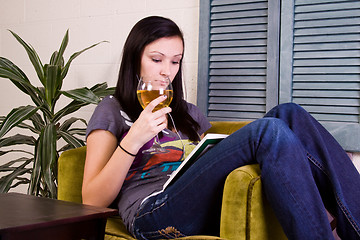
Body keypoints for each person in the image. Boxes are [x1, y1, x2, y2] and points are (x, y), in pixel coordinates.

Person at [82, 16, 360, 240]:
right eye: (157, 59)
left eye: (175, 61)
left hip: (201, 200)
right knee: (269, 131)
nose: (167, 71)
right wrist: (133, 140)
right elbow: (91, 198)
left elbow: (206, 166)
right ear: (134, 59)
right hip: (151, 212)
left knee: (289, 112)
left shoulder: (188, 113)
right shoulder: (112, 108)